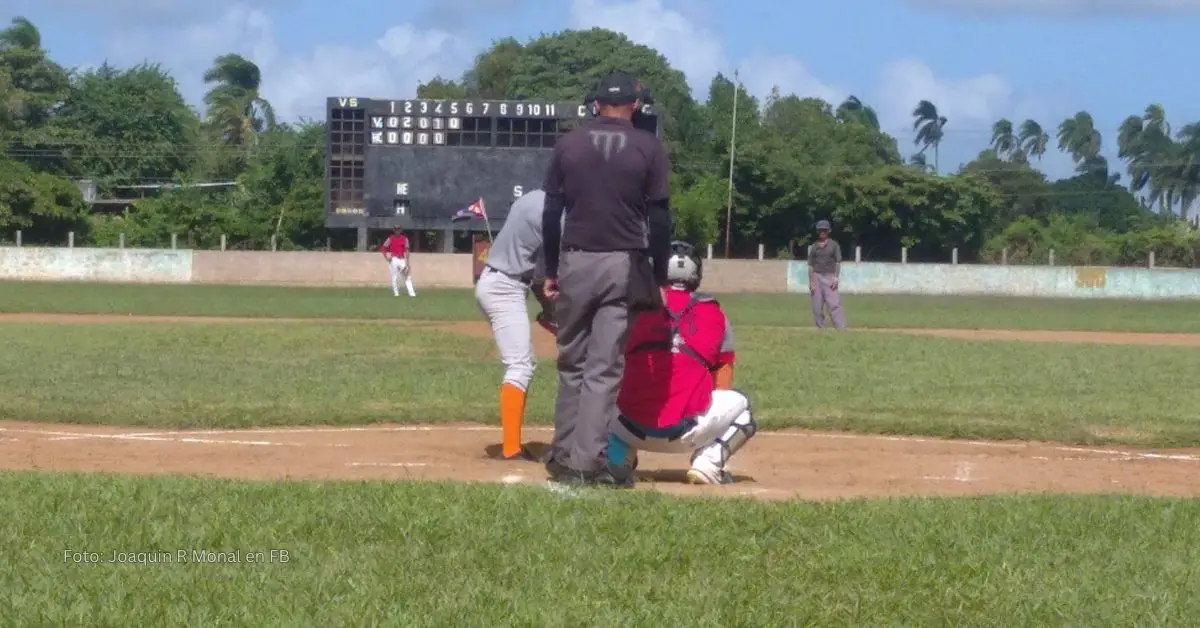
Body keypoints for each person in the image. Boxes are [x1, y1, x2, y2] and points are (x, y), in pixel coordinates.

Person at [540, 71, 673, 486]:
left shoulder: (570, 144)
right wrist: (659, 272)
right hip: (622, 262)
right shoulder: (649, 146)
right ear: (636, 105)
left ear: (595, 104)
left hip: (574, 260)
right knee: (603, 369)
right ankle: (586, 462)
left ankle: (561, 454)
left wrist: (549, 269)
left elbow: (550, 213)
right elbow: (660, 218)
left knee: (571, 363)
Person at [607, 241, 757, 487]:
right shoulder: (714, 312)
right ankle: (708, 463)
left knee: (598, 390)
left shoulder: (635, 308)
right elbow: (723, 379)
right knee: (743, 406)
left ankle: (617, 456)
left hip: (628, 426)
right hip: (686, 432)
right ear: (696, 274)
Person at [474, 189, 557, 460]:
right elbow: (546, 273)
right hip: (504, 286)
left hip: (501, 281)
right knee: (520, 364)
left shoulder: (531, 196)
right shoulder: (556, 212)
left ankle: (513, 445)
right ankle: (510, 449)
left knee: (523, 362)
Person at [808, 220, 846, 329]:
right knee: (816, 306)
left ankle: (841, 329)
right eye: (820, 230)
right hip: (816, 276)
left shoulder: (834, 245)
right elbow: (810, 265)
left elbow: (838, 262)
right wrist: (811, 281)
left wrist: (836, 278)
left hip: (829, 276)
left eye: (824, 230)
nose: (822, 232)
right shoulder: (814, 246)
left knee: (834, 304)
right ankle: (821, 329)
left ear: (829, 231)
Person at [380, 227, 416, 298]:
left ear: (401, 230)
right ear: (394, 230)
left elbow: (407, 250)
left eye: (398, 229)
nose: (397, 231)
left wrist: (408, 262)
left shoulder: (405, 238)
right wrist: (386, 257)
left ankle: (412, 293)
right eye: (396, 229)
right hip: (394, 259)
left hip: (401, 259)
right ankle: (396, 293)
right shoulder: (390, 238)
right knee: (394, 277)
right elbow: (383, 248)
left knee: (407, 276)